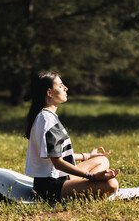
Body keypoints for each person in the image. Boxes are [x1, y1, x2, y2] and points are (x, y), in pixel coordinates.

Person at [24, 71, 120, 202]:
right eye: (60, 85)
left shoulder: (46, 116)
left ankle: (82, 186)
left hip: (59, 177)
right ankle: (84, 187)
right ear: (49, 93)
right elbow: (57, 163)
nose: (65, 88)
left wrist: (87, 156)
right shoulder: (47, 120)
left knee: (102, 160)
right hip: (49, 188)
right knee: (112, 185)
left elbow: (57, 155)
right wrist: (91, 176)